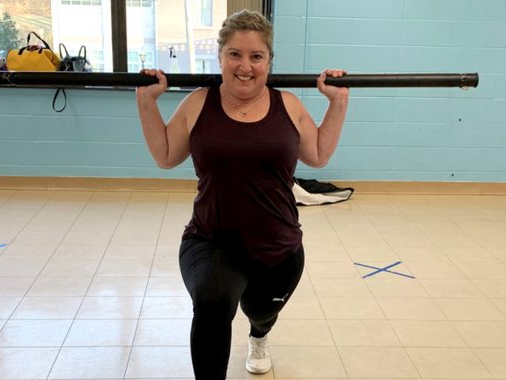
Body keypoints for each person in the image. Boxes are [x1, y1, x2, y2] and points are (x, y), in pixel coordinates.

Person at [135, 9, 349, 380]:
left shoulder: (288, 106)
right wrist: (146, 102)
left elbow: (317, 156)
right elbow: (166, 155)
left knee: (262, 311)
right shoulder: (200, 102)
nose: (245, 66)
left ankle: (259, 334)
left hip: (278, 246)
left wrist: (337, 103)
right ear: (219, 57)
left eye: (256, 56)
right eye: (234, 54)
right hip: (211, 240)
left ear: (269, 61)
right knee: (213, 302)